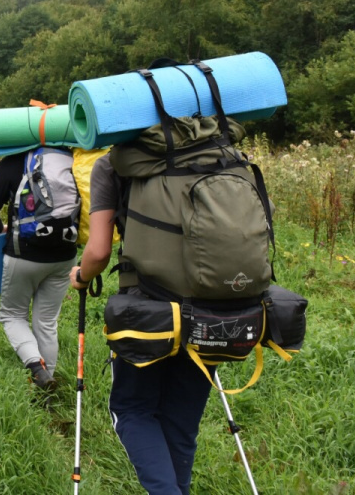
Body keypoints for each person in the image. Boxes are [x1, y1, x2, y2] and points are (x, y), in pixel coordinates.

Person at [70, 154, 213, 495]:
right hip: (216, 310)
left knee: (132, 410)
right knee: (181, 420)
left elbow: (99, 251)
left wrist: (81, 276)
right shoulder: (217, 156)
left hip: (148, 314)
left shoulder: (116, 163)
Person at [0, 145, 78, 391]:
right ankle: (45, 390)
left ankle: (36, 367)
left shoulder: (13, 162)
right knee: (46, 322)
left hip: (23, 255)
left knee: (12, 315)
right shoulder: (74, 159)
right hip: (65, 257)